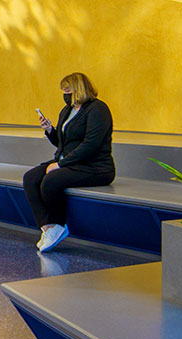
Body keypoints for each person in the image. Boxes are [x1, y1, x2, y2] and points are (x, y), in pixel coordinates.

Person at [25, 72, 116, 253]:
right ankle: (47, 227)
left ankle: (58, 224)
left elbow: (91, 145)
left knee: (51, 181)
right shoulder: (67, 111)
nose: (64, 93)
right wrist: (50, 130)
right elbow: (63, 142)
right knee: (30, 178)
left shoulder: (98, 109)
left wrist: (61, 164)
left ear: (78, 88)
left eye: (67, 89)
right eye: (63, 90)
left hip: (95, 166)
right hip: (71, 162)